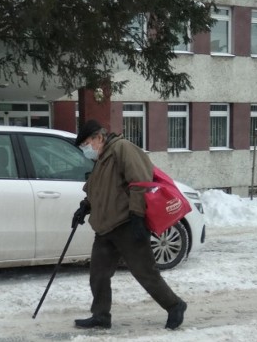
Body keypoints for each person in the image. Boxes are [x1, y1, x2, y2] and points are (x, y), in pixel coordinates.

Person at [71, 119, 187, 330]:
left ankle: (175, 305)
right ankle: (101, 315)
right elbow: (99, 189)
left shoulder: (123, 149)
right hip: (105, 227)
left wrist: (137, 217)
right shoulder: (102, 158)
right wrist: (85, 206)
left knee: (145, 272)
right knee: (98, 274)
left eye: (87, 143)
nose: (86, 149)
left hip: (126, 223)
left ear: (99, 137)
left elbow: (140, 182)